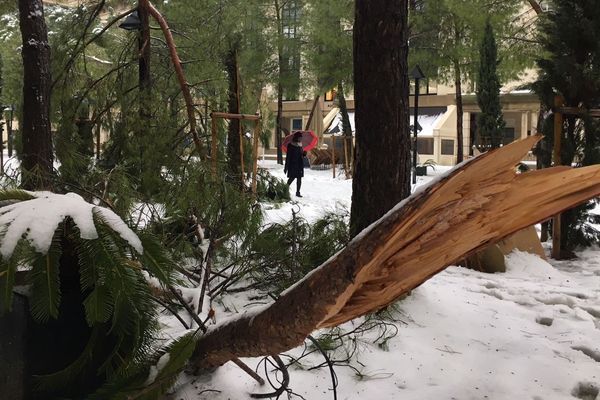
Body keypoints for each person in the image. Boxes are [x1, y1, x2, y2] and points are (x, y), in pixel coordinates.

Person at [284, 131, 305, 197]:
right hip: (293, 164)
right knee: (291, 178)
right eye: (300, 137)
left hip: (299, 164)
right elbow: (288, 156)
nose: (301, 139)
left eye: (301, 138)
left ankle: (298, 192)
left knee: (299, 178)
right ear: (296, 137)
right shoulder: (290, 145)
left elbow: (301, 155)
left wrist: (304, 154)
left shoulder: (300, 145)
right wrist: (286, 167)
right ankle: (284, 190)